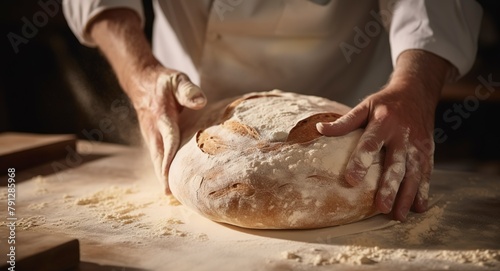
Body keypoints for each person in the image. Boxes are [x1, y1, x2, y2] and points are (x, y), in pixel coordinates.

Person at [63, 0, 482, 221]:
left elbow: (433, 6)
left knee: (351, 180)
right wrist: (141, 76)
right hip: (190, 107)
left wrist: (413, 89)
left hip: (351, 116)